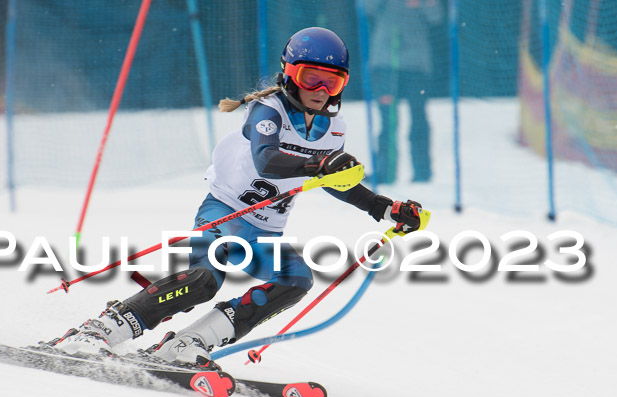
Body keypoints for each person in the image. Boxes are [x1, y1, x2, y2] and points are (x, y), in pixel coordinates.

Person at [49, 27, 425, 368]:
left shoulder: (333, 128)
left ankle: (189, 343)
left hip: (265, 232)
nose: (320, 91)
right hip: (225, 212)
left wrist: (384, 207)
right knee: (203, 280)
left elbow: (334, 180)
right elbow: (267, 159)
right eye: (311, 78)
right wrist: (320, 162)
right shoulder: (269, 109)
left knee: (296, 279)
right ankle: (99, 330)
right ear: (289, 74)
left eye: (332, 82)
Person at [365, 0, 443, 183]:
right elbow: (367, 8)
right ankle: (385, 172)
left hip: (417, 64)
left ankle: (422, 173)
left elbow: (436, 17)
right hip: (385, 62)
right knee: (388, 120)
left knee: (418, 117)